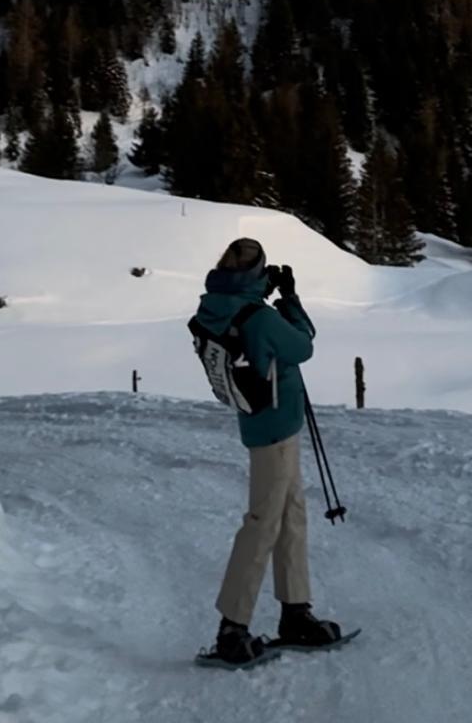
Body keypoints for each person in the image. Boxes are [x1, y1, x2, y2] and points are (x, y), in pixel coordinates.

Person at [194, 237, 341, 666]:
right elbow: (303, 345)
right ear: (257, 273)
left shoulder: (216, 304)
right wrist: (290, 298)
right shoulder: (258, 316)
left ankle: (296, 610)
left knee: (290, 515)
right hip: (277, 424)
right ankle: (231, 629)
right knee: (262, 522)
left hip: (258, 418)